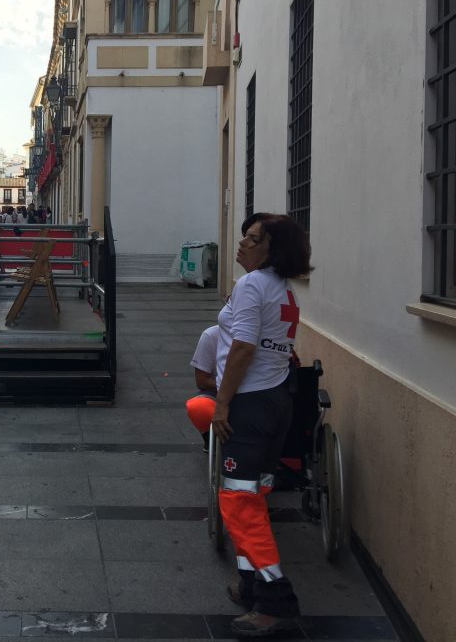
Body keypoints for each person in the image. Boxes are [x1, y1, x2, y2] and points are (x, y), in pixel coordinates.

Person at [211, 213, 311, 637]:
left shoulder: (252, 285)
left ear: (272, 250)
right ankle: (250, 582)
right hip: (277, 402)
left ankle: (276, 599)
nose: (242, 244)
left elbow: (242, 348)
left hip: (250, 404)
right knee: (254, 493)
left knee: (238, 501)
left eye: (253, 240)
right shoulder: (283, 289)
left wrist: (222, 404)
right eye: (245, 237)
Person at [185, 324, 219, 453]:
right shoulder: (211, 335)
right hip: (218, 393)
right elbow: (201, 381)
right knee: (198, 406)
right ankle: (209, 436)